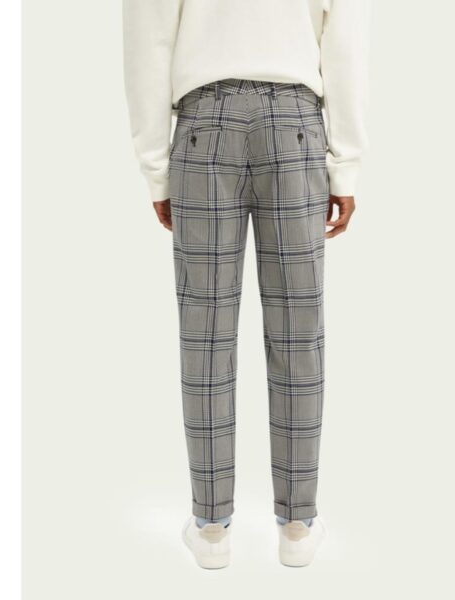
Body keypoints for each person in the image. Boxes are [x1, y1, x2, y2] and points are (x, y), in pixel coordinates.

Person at [122, 0, 370, 569]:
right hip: (295, 127)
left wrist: (156, 168)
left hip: (204, 126)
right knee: (298, 333)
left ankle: (211, 527)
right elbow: (346, 40)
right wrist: (346, 162)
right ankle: (298, 525)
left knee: (205, 335)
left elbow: (148, 41)